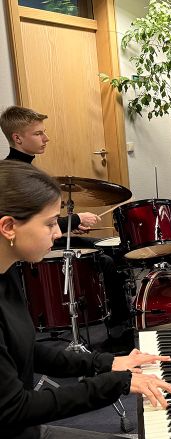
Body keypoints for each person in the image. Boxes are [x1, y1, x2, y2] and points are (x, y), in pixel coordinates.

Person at [0, 161, 171, 439]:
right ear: (9, 227)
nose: (57, 233)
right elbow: (13, 408)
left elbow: (28, 348)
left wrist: (108, 361)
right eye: (50, 223)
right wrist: (116, 383)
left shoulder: (8, 271)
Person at [1, 106, 131, 336]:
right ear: (17, 138)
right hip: (21, 251)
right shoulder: (15, 175)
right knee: (106, 258)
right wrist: (75, 219)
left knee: (108, 246)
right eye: (38, 133)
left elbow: (36, 220)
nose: (46, 138)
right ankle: (118, 325)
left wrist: (69, 224)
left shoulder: (21, 168)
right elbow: (24, 225)